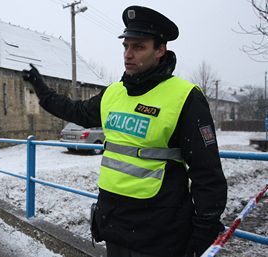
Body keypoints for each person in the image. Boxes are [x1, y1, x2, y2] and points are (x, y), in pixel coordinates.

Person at [22, 5, 227, 257]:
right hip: (115, 228)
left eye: (138, 46)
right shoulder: (113, 93)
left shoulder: (185, 98)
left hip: (160, 235)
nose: (128, 54)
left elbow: (207, 174)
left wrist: (203, 234)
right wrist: (40, 87)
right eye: (126, 46)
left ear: (160, 50)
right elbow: (74, 111)